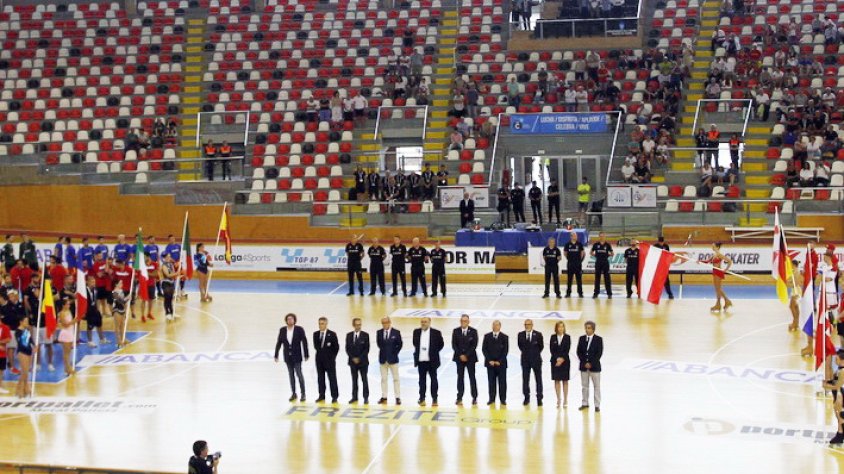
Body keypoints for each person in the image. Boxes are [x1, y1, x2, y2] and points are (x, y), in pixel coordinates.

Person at [274, 313, 308, 402]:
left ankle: (303, 393)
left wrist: (306, 354)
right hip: (287, 356)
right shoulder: (282, 330)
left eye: (291, 319)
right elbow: (279, 342)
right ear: (286, 321)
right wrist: (276, 354)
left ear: (294, 320)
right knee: (291, 375)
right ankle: (293, 393)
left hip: (297, 356)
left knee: (299, 374)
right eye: (288, 319)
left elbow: (304, 341)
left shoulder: (299, 329)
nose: (290, 320)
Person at [412, 317, 444, 406]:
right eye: (422, 322)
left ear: (429, 322)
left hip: (432, 361)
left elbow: (441, 344)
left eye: (425, 322)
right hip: (421, 361)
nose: (423, 323)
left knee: (434, 380)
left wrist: (433, 352)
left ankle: (435, 399)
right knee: (421, 381)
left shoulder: (436, 333)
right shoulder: (416, 332)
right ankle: (422, 398)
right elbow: (415, 343)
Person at [452, 314, 478, 405]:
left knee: (472, 377)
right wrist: (461, 355)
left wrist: (466, 355)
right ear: (460, 321)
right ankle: (459, 397)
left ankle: (474, 397)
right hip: (459, 358)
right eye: (462, 321)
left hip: (470, 358)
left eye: (465, 321)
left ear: (468, 322)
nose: (464, 322)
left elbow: (474, 345)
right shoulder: (456, 331)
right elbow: (454, 345)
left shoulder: (473, 331)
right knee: (460, 378)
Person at [577, 320, 603, 412]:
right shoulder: (581, 338)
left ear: (593, 329)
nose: (587, 330)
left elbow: (599, 353)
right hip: (584, 367)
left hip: (595, 367)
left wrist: (591, 363)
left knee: (596, 386)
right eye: (586, 328)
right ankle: (585, 403)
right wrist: (585, 362)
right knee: (584, 386)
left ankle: (597, 405)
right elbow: (579, 352)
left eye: (589, 328)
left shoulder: (599, 339)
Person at [376, 316, 403, 405]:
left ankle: (397, 397)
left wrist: (394, 353)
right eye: (383, 323)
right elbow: (379, 344)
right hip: (383, 359)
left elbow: (400, 344)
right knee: (383, 379)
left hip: (393, 359)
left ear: (389, 322)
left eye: (386, 322)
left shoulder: (396, 332)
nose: (385, 324)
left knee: (396, 379)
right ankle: (384, 397)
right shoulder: (379, 332)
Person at [313, 317, 340, 404]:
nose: (320, 325)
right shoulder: (315, 334)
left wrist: (332, 357)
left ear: (326, 324)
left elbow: (336, 347)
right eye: (319, 324)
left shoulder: (332, 334)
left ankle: (334, 396)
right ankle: (321, 395)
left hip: (329, 361)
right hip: (319, 360)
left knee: (332, 378)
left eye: (322, 323)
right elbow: (316, 347)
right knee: (320, 378)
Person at [518, 319, 544, 406]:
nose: (527, 326)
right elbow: (520, 346)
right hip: (525, 360)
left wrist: (534, 354)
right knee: (525, 379)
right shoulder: (520, 335)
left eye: (529, 324)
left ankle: (539, 398)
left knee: (538, 379)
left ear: (532, 325)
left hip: (536, 360)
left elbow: (541, 346)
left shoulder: (538, 334)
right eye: (526, 324)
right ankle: (526, 397)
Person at [482, 320, 508, 406]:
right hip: (490, 364)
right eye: (494, 325)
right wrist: (490, 360)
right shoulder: (487, 336)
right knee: (491, 382)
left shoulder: (505, 337)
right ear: (492, 326)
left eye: (497, 325)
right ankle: (491, 399)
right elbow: (484, 349)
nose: (495, 326)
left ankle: (503, 400)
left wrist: (499, 361)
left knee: (502, 383)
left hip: (501, 364)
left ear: (500, 326)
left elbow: (505, 351)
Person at [701, 242, 733, 312]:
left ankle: (726, 301)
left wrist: (725, 270)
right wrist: (699, 261)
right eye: (712, 246)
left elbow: (730, 261)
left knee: (718, 289)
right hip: (715, 272)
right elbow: (707, 261)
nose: (712, 247)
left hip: (718, 272)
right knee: (717, 289)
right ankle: (719, 304)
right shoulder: (714, 254)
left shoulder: (719, 255)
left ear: (717, 247)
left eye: (713, 246)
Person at [345, 317, 370, 404]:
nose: (358, 326)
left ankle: (366, 397)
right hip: (353, 362)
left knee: (364, 380)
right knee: (354, 380)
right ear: (353, 325)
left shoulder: (365, 335)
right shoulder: (349, 335)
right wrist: (353, 358)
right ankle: (354, 397)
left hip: (363, 362)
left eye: (360, 325)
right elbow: (347, 349)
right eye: (356, 325)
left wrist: (359, 358)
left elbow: (367, 349)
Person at [823, 349, 844, 445]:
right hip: (837, 394)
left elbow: (838, 386)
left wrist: (826, 386)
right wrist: (828, 382)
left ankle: (840, 435)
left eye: (837, 359)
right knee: (838, 415)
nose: (835, 360)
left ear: (842, 360)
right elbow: (835, 381)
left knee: (840, 416)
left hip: (841, 395)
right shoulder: (839, 369)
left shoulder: (842, 371)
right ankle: (840, 433)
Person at [549, 321, 571, 408]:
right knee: (557, 380)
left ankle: (565, 399)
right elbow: (552, 350)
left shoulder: (567, 337)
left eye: (562, 327)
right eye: (559, 327)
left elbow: (567, 349)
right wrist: (557, 359)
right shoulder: (553, 337)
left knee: (565, 380)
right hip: (555, 362)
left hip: (565, 362)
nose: (561, 328)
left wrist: (562, 359)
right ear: (556, 328)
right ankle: (558, 399)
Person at [83, 276, 106, 347]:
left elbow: (97, 299)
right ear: (87, 282)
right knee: (90, 326)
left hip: (95, 309)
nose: (94, 283)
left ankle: (102, 339)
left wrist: (98, 309)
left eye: (94, 282)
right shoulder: (84, 291)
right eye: (92, 282)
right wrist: (84, 312)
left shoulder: (95, 289)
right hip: (88, 310)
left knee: (99, 324)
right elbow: (82, 302)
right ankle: (90, 341)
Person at [14, 315, 33, 398]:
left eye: (27, 321)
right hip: (22, 352)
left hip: (29, 351)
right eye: (25, 321)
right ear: (21, 322)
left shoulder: (26, 330)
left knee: (26, 372)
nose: (27, 323)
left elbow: (30, 339)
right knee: (24, 372)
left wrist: (34, 346)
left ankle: (24, 390)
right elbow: (21, 343)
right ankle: (20, 390)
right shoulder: (18, 331)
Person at [591, 233, 614, 298]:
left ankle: (609, 294)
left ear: (604, 237)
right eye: (600, 236)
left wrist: (608, 255)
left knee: (607, 278)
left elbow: (612, 253)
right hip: (598, 262)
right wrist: (596, 255)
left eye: (603, 236)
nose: (602, 237)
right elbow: (591, 252)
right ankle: (596, 293)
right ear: (599, 237)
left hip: (605, 262)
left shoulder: (608, 244)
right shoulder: (596, 244)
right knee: (597, 278)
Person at [56, 299, 75, 376]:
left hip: (70, 332)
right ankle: (68, 368)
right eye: (67, 304)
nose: (69, 306)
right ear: (63, 305)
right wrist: (75, 321)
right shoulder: (61, 313)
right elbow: (65, 325)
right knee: (66, 353)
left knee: (69, 352)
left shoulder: (69, 311)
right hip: (66, 333)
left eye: (69, 304)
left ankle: (66, 369)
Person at [563, 232, 585, 298]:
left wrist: (579, 260)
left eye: (576, 236)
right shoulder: (567, 244)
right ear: (571, 237)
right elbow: (565, 253)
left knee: (579, 279)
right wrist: (569, 259)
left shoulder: (579, 244)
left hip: (578, 264)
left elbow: (582, 253)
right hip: (570, 264)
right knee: (569, 279)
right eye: (574, 236)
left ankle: (580, 293)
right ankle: (568, 293)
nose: (575, 237)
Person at [160, 253, 178, 321]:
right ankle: (167, 313)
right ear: (164, 258)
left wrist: (177, 274)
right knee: (167, 298)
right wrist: (176, 273)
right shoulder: (163, 265)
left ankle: (172, 312)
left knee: (170, 298)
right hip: (165, 283)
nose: (169, 258)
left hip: (171, 282)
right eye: (167, 257)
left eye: (169, 256)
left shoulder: (171, 264)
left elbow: (173, 273)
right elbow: (167, 275)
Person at [111, 281, 128, 348]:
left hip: (122, 310)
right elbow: (120, 301)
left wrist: (125, 310)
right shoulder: (114, 292)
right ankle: (118, 341)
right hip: (117, 310)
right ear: (116, 284)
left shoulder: (122, 291)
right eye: (120, 283)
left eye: (122, 283)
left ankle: (123, 338)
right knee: (117, 326)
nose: (122, 284)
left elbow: (124, 302)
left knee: (122, 326)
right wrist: (127, 298)